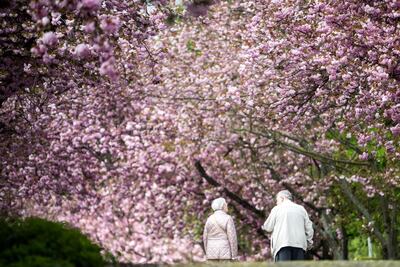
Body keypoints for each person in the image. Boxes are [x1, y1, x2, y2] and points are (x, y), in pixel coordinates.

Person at [262, 190, 314, 261]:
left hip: (283, 244)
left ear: (283, 198)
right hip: (299, 245)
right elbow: (309, 228)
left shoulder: (277, 209)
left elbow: (268, 227)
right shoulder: (301, 209)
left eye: (277, 200)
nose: (277, 203)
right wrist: (309, 242)